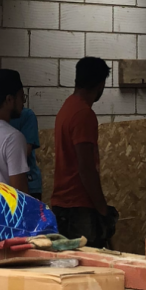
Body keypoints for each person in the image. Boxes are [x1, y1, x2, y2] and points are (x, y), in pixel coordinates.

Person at [52, 57, 115, 247]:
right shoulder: (83, 114)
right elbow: (86, 168)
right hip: (78, 207)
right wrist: (102, 209)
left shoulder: (67, 107)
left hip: (63, 205)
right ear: (101, 84)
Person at [9, 100, 42, 200]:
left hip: (29, 182)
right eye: (20, 97)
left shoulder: (26, 115)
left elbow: (25, 152)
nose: (23, 101)